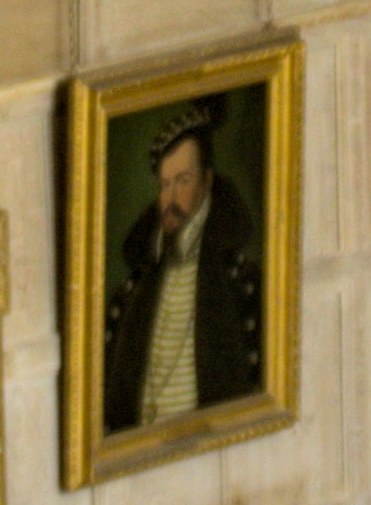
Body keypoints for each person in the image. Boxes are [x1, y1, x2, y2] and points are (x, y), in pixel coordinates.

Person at [100, 107, 266, 443]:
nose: (170, 200)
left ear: (207, 182)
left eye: (182, 181)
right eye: (164, 184)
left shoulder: (244, 285)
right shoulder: (130, 296)